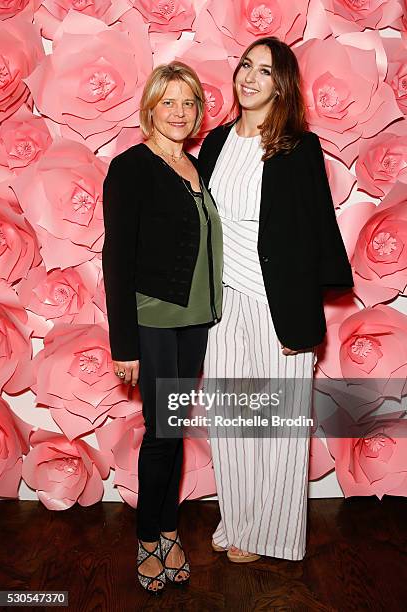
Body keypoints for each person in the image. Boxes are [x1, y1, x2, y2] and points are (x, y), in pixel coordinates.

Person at [198, 37, 353, 563]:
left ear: (280, 84)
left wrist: (305, 324)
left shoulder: (298, 148)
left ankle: (276, 534)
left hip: (277, 308)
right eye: (246, 65)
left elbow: (314, 235)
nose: (250, 77)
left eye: (264, 71)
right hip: (223, 309)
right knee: (232, 422)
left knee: (280, 429)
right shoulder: (215, 143)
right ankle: (239, 524)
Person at [102, 62, 223, 593]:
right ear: (151, 107)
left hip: (195, 320)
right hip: (154, 319)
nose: (179, 112)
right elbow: (116, 258)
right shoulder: (131, 166)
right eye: (168, 102)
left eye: (189, 102)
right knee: (163, 431)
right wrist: (124, 343)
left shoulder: (198, 168)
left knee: (172, 430)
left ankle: (169, 528)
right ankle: (150, 537)